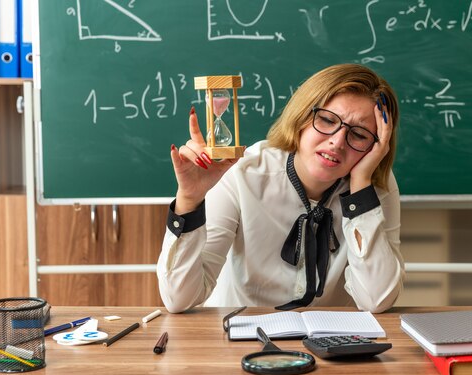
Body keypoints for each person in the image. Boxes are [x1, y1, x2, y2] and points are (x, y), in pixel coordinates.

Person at [157, 63, 404, 313]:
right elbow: (179, 299)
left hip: (328, 343)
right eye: (328, 120)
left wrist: (360, 195)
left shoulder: (374, 186)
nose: (337, 142)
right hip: (235, 335)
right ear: (302, 118)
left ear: (377, 147)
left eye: (359, 134)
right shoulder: (243, 173)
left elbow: (377, 300)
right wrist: (189, 200)